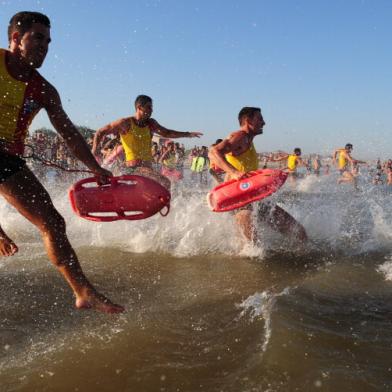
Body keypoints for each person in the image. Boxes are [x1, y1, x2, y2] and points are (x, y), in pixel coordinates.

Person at [0, 11, 123, 313]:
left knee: (54, 223)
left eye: (48, 41)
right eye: (37, 38)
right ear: (16, 38)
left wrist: (96, 168)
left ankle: (83, 292)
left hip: (7, 159)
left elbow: (69, 133)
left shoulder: (44, 89)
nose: (45, 47)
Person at [208, 107, 307, 243]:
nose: (264, 122)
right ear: (248, 121)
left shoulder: (248, 139)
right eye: (259, 119)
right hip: (240, 202)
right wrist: (234, 172)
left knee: (299, 233)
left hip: (254, 200)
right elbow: (213, 152)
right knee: (252, 247)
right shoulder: (240, 136)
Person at [92, 95, 202, 189]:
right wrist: (94, 150)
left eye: (152, 107)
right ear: (139, 107)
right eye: (148, 107)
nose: (151, 110)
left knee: (160, 186)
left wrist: (187, 134)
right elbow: (100, 132)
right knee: (165, 182)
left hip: (147, 169)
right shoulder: (126, 123)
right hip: (133, 169)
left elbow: (167, 133)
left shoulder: (151, 124)